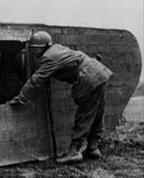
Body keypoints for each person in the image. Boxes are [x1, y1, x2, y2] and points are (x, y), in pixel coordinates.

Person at [8, 31, 113, 163]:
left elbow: (36, 79)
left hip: (89, 76)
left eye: (34, 49)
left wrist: (22, 97)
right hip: (98, 71)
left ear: (43, 46)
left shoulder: (49, 58)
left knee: (85, 113)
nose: (33, 52)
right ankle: (93, 148)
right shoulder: (56, 49)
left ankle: (74, 152)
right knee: (97, 111)